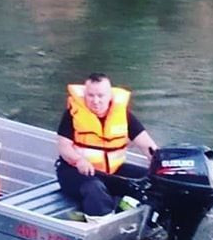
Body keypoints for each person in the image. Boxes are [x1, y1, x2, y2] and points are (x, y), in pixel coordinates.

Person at [55, 72, 158, 218]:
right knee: (94, 188)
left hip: (112, 172)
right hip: (76, 172)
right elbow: (63, 147)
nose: (95, 101)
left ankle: (130, 212)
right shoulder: (72, 115)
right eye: (90, 95)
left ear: (110, 96)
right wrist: (79, 161)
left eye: (100, 96)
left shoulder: (123, 115)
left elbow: (147, 145)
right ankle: (101, 225)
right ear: (85, 95)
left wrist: (159, 164)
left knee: (150, 181)